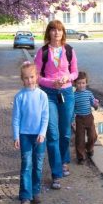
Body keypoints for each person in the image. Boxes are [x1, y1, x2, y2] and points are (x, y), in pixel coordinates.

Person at [34, 20, 79, 190]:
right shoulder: (42, 52)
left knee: (65, 132)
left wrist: (67, 78)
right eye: (53, 30)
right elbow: (36, 76)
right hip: (48, 95)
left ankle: (64, 160)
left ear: (63, 33)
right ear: (49, 33)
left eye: (59, 30)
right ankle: (56, 172)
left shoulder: (69, 50)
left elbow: (75, 72)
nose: (56, 33)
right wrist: (51, 83)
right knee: (52, 134)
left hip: (66, 93)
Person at [12, 61, 49, 204]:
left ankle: (36, 191)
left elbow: (45, 117)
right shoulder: (19, 97)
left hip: (39, 137)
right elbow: (16, 118)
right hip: (25, 136)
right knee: (26, 165)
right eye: (26, 78)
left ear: (37, 77)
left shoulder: (42, 96)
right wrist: (16, 136)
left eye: (32, 77)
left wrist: (42, 133)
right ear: (22, 79)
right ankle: (25, 197)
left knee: (38, 165)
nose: (29, 80)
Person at [73, 71, 100, 164]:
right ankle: (81, 157)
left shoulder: (89, 93)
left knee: (93, 136)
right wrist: (72, 119)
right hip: (79, 119)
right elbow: (72, 108)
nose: (81, 85)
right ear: (75, 84)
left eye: (83, 83)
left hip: (89, 117)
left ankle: (89, 148)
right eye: (79, 83)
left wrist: (96, 105)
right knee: (80, 139)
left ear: (86, 83)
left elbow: (94, 104)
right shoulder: (74, 96)